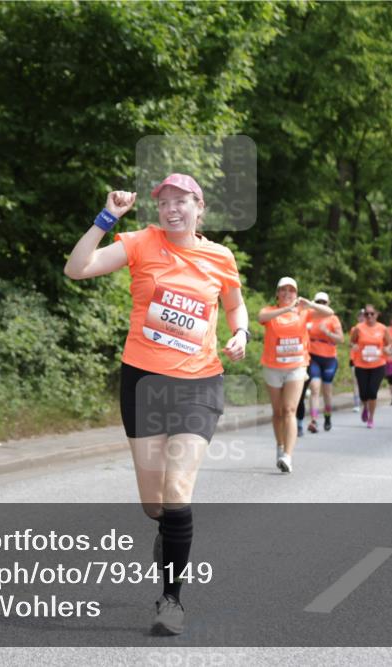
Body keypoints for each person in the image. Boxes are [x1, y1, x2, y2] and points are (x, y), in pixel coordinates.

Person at [64, 174, 247, 635]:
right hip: (143, 382)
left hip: (198, 385)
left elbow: (234, 305)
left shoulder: (220, 257)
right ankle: (167, 534)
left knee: (177, 489)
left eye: (181, 201)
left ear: (198, 207)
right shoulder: (140, 243)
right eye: (164, 202)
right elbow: (77, 268)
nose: (171, 209)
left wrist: (240, 331)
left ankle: (171, 601)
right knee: (154, 505)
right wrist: (106, 218)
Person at [259, 277, 334, 473]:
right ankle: (280, 446)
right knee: (278, 412)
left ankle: (288, 456)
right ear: (277, 293)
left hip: (297, 366)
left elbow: (329, 312)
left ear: (296, 293)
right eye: (283, 290)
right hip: (273, 366)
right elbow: (262, 318)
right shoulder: (270, 311)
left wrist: (309, 304)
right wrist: (286, 309)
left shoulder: (304, 312)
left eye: (291, 291)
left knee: (290, 409)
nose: (287, 294)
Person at [349, 304, 392, 429]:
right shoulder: (359, 328)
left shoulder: (382, 328)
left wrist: (387, 348)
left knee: (372, 392)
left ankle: (371, 417)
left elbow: (390, 343)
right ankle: (365, 407)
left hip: (378, 364)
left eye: (372, 314)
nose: (369, 316)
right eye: (366, 314)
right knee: (364, 393)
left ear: (377, 314)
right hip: (361, 364)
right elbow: (352, 342)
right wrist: (354, 346)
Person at [306, 292, 344, 432]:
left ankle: (327, 416)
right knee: (315, 388)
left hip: (329, 358)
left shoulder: (333, 319)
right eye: (318, 302)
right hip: (313, 357)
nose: (321, 305)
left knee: (327, 391)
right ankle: (314, 420)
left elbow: (341, 339)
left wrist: (327, 332)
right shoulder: (309, 315)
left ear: (328, 304)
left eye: (323, 302)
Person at [349, 310, 366, 412]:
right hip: (354, 358)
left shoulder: (370, 329)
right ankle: (356, 403)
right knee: (355, 382)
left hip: (367, 360)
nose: (362, 318)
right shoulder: (354, 329)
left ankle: (365, 401)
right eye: (360, 316)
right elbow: (351, 343)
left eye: (364, 316)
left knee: (364, 382)